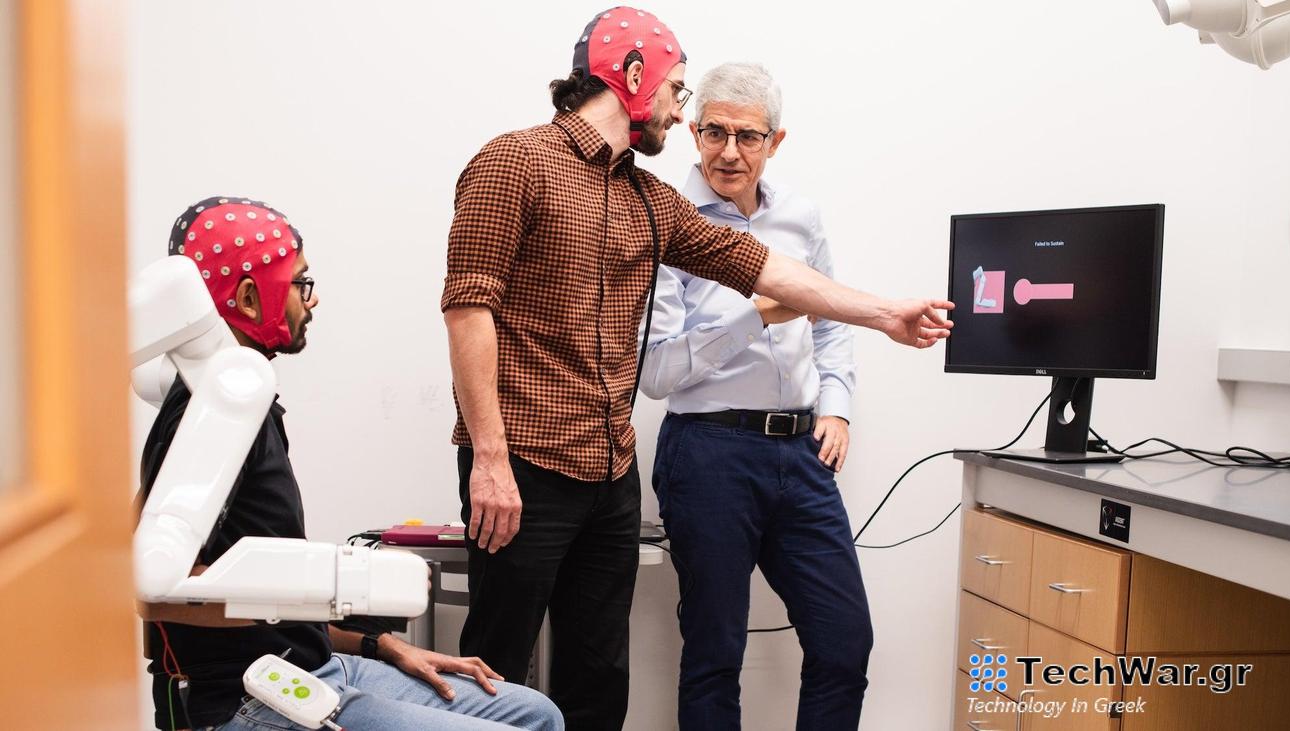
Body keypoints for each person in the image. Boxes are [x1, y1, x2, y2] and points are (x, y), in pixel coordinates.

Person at [441, 7, 952, 728]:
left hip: (609, 472)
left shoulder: (649, 200)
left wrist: (884, 313)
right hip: (524, 462)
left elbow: (762, 266)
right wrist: (488, 457)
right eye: (679, 91)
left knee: (598, 677)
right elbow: (469, 308)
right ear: (632, 76)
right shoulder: (514, 160)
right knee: (495, 667)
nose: (682, 113)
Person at [137, 196, 562, 731]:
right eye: (300, 283)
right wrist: (327, 583)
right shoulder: (208, 414)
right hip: (250, 697)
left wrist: (382, 644)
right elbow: (148, 589)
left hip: (316, 665)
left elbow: (271, 606)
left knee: (535, 713)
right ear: (249, 296)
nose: (311, 302)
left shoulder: (242, 400)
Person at [638, 62, 872, 731]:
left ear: (777, 140)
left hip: (800, 452)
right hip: (708, 452)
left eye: (748, 135)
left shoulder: (800, 217)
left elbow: (830, 324)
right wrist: (754, 316)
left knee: (843, 640)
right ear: (692, 128)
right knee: (715, 652)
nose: (729, 151)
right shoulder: (664, 222)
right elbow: (656, 372)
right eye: (715, 131)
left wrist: (836, 404)